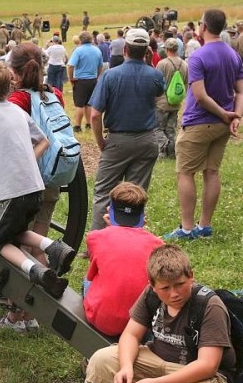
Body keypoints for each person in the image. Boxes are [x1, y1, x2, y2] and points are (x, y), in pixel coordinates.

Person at [85, 244, 236, 383]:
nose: (174, 294)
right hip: (157, 357)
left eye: (180, 284)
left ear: (191, 276)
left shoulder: (210, 305)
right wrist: (126, 367)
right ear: (152, 285)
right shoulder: (150, 295)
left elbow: (208, 365)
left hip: (199, 372)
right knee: (102, 359)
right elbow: (130, 335)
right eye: (165, 288)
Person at [0, 61, 71, 317]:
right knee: (17, 230)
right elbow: (44, 141)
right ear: (9, 88)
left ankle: (35, 270)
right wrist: (26, 161)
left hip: (10, 191)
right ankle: (53, 246)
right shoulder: (17, 111)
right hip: (35, 188)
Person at [164, 9, 243, 240]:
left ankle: (188, 228)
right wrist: (235, 116)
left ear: (203, 26)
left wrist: (223, 114)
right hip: (223, 124)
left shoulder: (199, 56)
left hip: (200, 121)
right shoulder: (233, 55)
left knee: (185, 172)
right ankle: (205, 225)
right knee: (212, 172)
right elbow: (242, 91)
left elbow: (199, 95)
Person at [88, 28, 165, 233]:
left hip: (118, 139)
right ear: (147, 50)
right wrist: (147, 63)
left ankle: (97, 241)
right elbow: (159, 91)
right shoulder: (155, 75)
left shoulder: (110, 76)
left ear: (125, 50)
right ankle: (132, 237)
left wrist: (100, 142)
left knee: (104, 192)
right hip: (147, 139)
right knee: (136, 193)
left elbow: (95, 115)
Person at [83, 182, 163, 337]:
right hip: (140, 325)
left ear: (109, 210)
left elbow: (93, 274)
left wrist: (110, 228)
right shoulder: (158, 244)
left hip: (103, 321)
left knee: (87, 280)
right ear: (143, 216)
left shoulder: (95, 237)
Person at [154, 38, 188, 159]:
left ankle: (164, 147)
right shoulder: (184, 64)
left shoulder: (162, 64)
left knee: (157, 127)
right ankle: (172, 152)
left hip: (162, 102)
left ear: (167, 49)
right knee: (171, 128)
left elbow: (156, 82)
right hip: (176, 102)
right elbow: (185, 83)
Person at [67, 31, 104, 132]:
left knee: (79, 105)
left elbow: (70, 66)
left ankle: (78, 126)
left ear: (81, 39)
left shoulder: (78, 51)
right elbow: (100, 66)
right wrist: (97, 76)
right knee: (89, 104)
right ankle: (88, 124)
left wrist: (71, 78)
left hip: (81, 80)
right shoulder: (97, 50)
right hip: (92, 80)